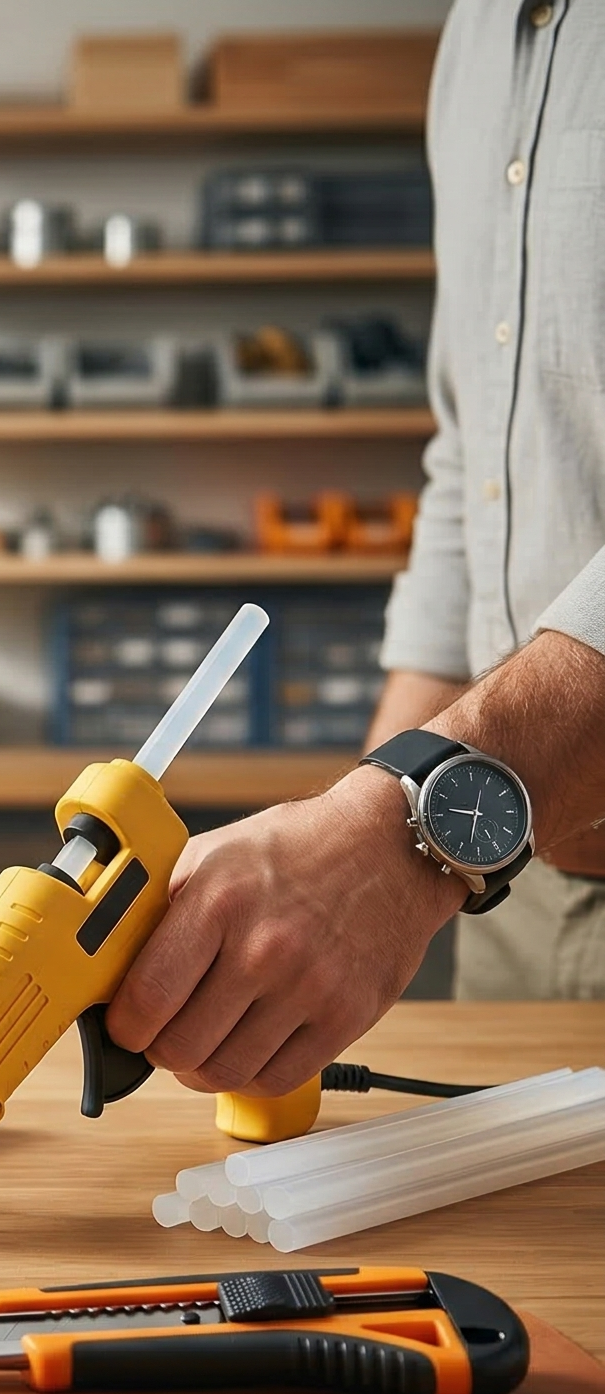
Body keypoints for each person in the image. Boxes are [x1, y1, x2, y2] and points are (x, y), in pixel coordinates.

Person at [107, 0, 605, 1097]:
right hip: (513, 878)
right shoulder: (479, 37)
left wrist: (393, 835)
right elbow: (472, 458)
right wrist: (377, 826)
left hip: (475, 822)